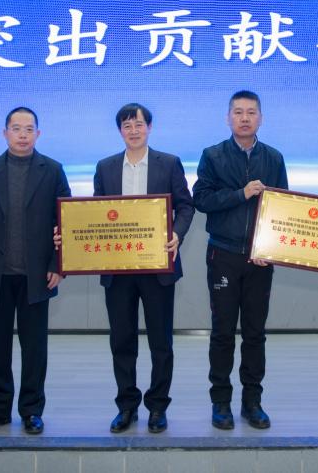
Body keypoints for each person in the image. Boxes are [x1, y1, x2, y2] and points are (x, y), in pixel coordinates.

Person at [0, 106, 70, 435]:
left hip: (37, 276)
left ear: (39, 133)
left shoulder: (52, 170)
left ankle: (32, 411)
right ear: (5, 133)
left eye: (29, 129)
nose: (23, 135)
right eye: (16, 128)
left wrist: (58, 265)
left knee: (35, 349)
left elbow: (67, 222)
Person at [93, 103, 195, 434]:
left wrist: (177, 234)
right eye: (127, 125)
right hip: (118, 268)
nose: (133, 130)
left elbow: (186, 206)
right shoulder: (105, 167)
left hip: (157, 267)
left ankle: (157, 407)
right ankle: (126, 406)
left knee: (160, 343)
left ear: (150, 127)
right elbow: (94, 213)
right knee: (122, 341)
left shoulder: (169, 163)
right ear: (120, 131)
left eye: (139, 124)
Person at [193, 90, 288, 430]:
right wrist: (241, 193)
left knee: (255, 333)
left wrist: (270, 249)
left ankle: (252, 402)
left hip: (260, 259)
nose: (244, 118)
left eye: (251, 112)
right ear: (228, 118)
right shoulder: (213, 155)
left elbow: (283, 208)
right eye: (238, 112)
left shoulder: (274, 158)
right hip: (224, 254)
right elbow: (201, 199)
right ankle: (221, 402)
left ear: (261, 118)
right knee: (222, 332)